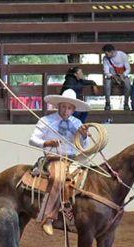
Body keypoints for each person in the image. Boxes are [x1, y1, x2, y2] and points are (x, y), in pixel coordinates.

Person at [29, 89, 90, 236]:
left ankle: (80, 215)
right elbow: (32, 140)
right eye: (63, 107)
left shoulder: (78, 123)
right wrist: (47, 142)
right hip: (54, 159)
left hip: (73, 159)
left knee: (91, 180)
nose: (66, 111)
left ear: (73, 109)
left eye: (69, 108)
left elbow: (85, 146)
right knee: (58, 179)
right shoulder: (46, 121)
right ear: (58, 106)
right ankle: (48, 217)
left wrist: (84, 136)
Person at [101, 44, 131, 111]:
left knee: (128, 85)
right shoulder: (105, 58)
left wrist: (123, 75)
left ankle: (126, 103)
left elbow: (128, 68)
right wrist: (112, 76)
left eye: (106, 53)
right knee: (107, 83)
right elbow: (106, 71)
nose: (106, 55)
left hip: (122, 75)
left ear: (112, 52)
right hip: (112, 76)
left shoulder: (122, 55)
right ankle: (107, 103)